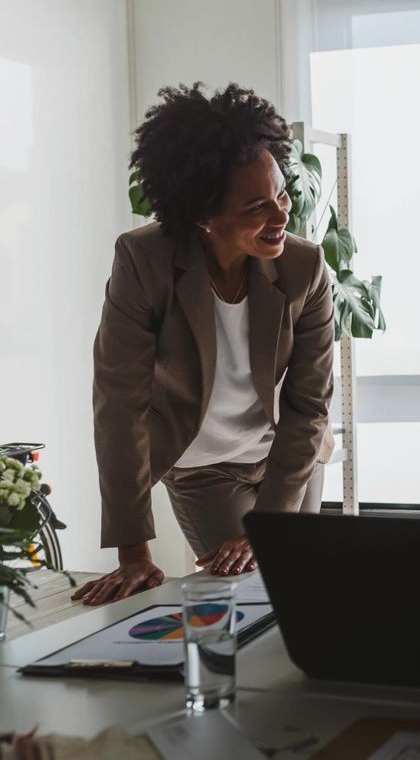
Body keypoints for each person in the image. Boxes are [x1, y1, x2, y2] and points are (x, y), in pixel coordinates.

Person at [75, 83, 334, 605]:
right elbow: (119, 405)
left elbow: (309, 404)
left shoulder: (304, 267)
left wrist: (269, 524)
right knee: (240, 601)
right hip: (202, 466)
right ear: (201, 214)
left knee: (298, 587)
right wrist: (133, 552)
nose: (282, 215)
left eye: (282, 193)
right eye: (256, 206)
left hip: (287, 453)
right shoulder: (143, 262)